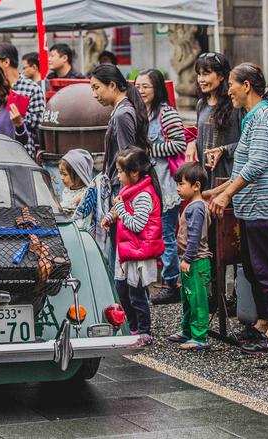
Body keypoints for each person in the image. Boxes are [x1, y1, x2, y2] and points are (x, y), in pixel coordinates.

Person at [205, 62, 268, 354]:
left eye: (231, 84)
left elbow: (256, 165)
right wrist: (217, 190)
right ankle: (264, 322)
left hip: (263, 205)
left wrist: (227, 194)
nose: (229, 90)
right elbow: (244, 163)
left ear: (246, 86)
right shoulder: (251, 117)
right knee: (253, 268)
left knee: (266, 267)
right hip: (250, 205)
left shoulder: (263, 117)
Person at [101, 148, 165, 345]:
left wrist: (118, 208)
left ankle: (144, 331)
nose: (118, 175)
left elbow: (137, 224)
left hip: (139, 253)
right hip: (128, 250)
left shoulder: (144, 195)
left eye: (121, 171)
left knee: (136, 295)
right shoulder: (129, 190)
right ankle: (133, 325)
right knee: (122, 291)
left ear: (135, 173)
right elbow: (122, 210)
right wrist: (111, 217)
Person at [90, 64, 150, 271]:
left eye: (96, 88)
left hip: (122, 189)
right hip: (120, 188)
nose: (94, 94)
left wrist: (122, 198)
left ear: (112, 85)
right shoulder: (121, 111)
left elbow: (128, 158)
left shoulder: (122, 114)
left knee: (118, 251)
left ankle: (118, 298)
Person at [134, 69, 186, 304]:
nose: (141, 91)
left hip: (166, 184)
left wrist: (149, 151)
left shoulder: (167, 114)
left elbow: (179, 144)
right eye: (138, 86)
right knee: (155, 233)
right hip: (149, 186)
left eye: (145, 86)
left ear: (157, 89)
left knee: (166, 235)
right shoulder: (139, 113)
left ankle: (171, 282)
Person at [168, 163, 212, 350]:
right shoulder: (193, 206)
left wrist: (187, 258)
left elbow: (194, 236)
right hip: (190, 261)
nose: (178, 188)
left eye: (181, 184)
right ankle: (187, 330)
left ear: (196, 185)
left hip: (196, 261)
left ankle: (199, 336)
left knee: (197, 300)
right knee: (187, 298)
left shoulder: (196, 207)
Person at [188, 52, 243, 189]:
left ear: (221, 76)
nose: (201, 79)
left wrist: (224, 150)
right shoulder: (201, 104)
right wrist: (193, 143)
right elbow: (202, 135)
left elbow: (248, 142)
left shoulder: (235, 105)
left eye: (206, 73)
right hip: (205, 177)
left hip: (229, 178)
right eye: (199, 74)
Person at [0, 42, 45, 158]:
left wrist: (19, 117)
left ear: (6, 62)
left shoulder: (31, 88)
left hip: (22, 154)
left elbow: (40, 122)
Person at [58, 148, 94, 214]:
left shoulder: (86, 193)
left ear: (78, 175)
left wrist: (83, 200)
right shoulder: (67, 190)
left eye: (65, 174)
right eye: (61, 174)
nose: (62, 178)